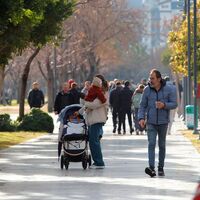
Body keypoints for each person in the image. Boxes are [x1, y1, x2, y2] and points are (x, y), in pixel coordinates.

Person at [138, 69, 177, 177]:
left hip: (163, 122)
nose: (150, 80)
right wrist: (141, 118)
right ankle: (151, 168)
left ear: (159, 79)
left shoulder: (169, 89)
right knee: (151, 144)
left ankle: (161, 167)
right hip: (151, 122)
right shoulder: (146, 90)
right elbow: (142, 106)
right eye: (150, 78)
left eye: (152, 78)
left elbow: (174, 104)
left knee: (162, 145)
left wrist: (164, 105)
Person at [77, 74, 109, 169]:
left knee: (94, 141)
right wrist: (79, 112)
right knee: (92, 141)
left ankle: (99, 162)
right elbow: (89, 104)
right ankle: (97, 161)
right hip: (92, 119)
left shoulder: (104, 93)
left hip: (97, 119)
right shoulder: (96, 91)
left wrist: (85, 101)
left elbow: (94, 104)